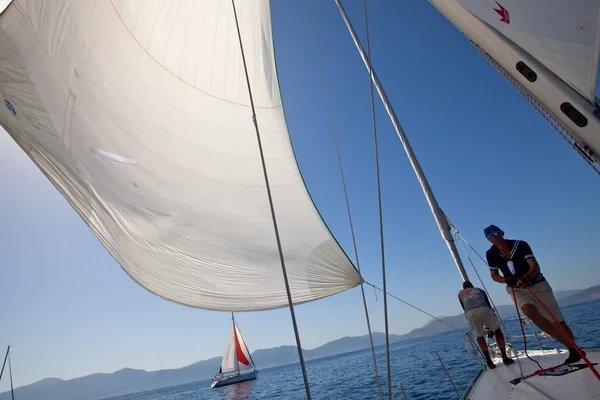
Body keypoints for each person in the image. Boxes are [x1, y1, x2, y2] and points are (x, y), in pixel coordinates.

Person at [484, 225, 584, 364]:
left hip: (538, 285)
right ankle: (572, 347)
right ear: (488, 240)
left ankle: (574, 351)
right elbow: (494, 275)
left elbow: (534, 265)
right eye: (490, 236)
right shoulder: (491, 254)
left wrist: (528, 276)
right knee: (528, 311)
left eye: (496, 233)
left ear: (502, 232)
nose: (494, 236)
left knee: (558, 321)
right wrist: (506, 279)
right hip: (517, 289)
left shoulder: (520, 245)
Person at [459, 281, 514, 369]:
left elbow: (464, 307)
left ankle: (489, 361)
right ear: (472, 286)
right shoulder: (480, 290)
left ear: (463, 288)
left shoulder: (460, 294)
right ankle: (505, 358)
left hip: (470, 313)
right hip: (484, 309)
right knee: (497, 331)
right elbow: (487, 304)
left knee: (480, 336)